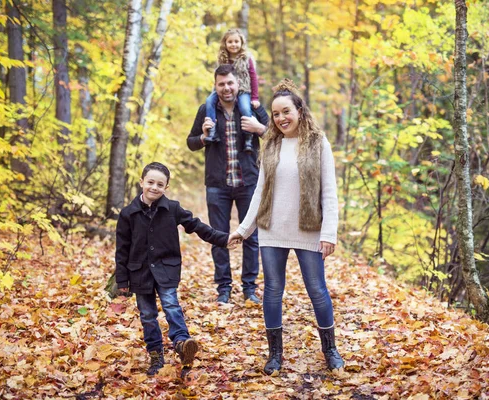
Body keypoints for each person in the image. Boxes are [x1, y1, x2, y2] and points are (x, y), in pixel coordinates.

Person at [228, 79, 345, 375]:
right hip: (272, 229)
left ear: (299, 110)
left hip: (308, 228)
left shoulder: (318, 142)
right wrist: (244, 229)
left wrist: (329, 233)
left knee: (317, 290)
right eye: (276, 113)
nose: (281, 118)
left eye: (286, 112)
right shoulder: (271, 145)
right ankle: (275, 355)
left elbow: (329, 191)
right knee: (272, 291)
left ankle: (330, 350)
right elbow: (259, 191)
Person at [115, 162, 238, 376]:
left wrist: (223, 239)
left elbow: (198, 226)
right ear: (141, 182)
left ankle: (182, 343)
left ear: (166, 187)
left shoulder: (172, 209)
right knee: (147, 315)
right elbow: (122, 249)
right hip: (139, 272)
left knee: (171, 305)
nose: (154, 187)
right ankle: (156, 356)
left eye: (160, 184)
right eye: (150, 182)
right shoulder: (128, 214)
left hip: (166, 269)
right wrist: (122, 281)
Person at [187, 64, 269, 305]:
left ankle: (249, 289)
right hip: (217, 185)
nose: (226, 88)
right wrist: (203, 136)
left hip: (249, 183)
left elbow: (277, 135)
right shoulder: (207, 110)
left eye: (230, 83)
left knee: (252, 237)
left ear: (237, 84)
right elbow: (191, 142)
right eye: (221, 84)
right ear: (216, 86)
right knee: (219, 237)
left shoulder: (252, 109)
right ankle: (223, 289)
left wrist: (259, 128)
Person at [204, 28, 260, 153]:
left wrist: (255, 97)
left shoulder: (247, 58)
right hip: (224, 89)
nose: (233, 44)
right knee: (209, 101)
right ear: (225, 43)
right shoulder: (222, 58)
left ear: (241, 43)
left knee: (245, 108)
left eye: (236, 41)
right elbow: (218, 77)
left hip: (243, 89)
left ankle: (248, 137)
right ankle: (212, 131)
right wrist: (216, 91)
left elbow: (253, 77)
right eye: (230, 42)